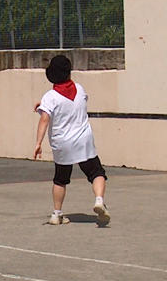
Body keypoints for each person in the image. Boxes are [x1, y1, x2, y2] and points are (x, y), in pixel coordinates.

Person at [33, 55, 111, 227]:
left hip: (62, 143)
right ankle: (99, 200)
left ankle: (57, 214)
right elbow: (71, 104)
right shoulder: (80, 89)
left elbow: (45, 118)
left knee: (60, 178)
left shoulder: (50, 97)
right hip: (83, 140)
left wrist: (38, 143)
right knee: (96, 172)